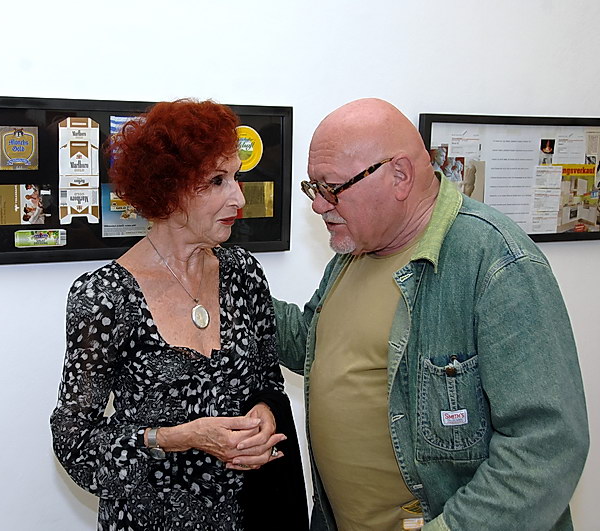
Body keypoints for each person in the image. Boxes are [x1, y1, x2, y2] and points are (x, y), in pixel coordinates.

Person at [274, 98, 589, 531]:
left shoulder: (495, 262)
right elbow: (311, 342)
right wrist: (222, 277)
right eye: (314, 188)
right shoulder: (355, 250)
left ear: (399, 176)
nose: (318, 205)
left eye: (332, 188)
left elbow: (546, 447)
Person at [51, 99, 307, 531]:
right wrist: (177, 437)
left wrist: (265, 412)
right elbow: (74, 443)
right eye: (217, 181)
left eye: (237, 177)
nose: (238, 197)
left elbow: (268, 380)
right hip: (150, 519)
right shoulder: (104, 297)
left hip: (250, 513)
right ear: (169, 191)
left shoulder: (244, 274)